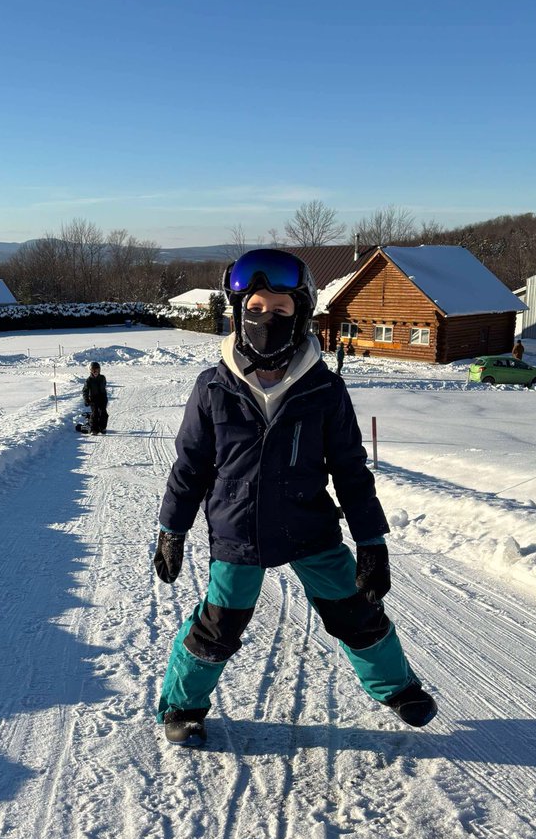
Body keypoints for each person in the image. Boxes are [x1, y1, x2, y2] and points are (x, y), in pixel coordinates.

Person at [153, 247, 437, 746]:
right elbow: (190, 467)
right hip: (238, 531)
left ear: (300, 313)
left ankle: (398, 688)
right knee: (218, 626)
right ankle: (183, 705)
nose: (266, 319)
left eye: (280, 311)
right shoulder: (213, 388)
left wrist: (372, 541)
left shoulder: (324, 390)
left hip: (309, 528)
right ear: (239, 313)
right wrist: (171, 529)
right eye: (256, 310)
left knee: (356, 612)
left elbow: (350, 471)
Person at [82, 362, 109, 434]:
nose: (95, 372)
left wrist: (105, 397)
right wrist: (86, 399)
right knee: (95, 413)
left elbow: (104, 387)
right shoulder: (89, 380)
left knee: (103, 413)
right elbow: (85, 391)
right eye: (93, 370)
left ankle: (102, 427)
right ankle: (94, 429)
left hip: (102, 398)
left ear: (99, 370)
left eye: (97, 370)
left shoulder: (103, 378)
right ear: (90, 371)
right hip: (93, 399)